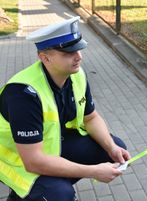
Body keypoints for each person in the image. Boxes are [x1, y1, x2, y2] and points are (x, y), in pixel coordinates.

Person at [0, 16, 130, 201]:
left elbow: (90, 118)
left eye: (79, 49)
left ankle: (47, 186)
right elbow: (33, 161)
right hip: (17, 159)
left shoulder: (76, 75)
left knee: (114, 149)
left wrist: (112, 147)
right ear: (45, 58)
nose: (79, 57)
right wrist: (93, 172)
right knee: (60, 194)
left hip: (48, 146)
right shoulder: (23, 94)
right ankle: (33, 193)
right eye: (69, 53)